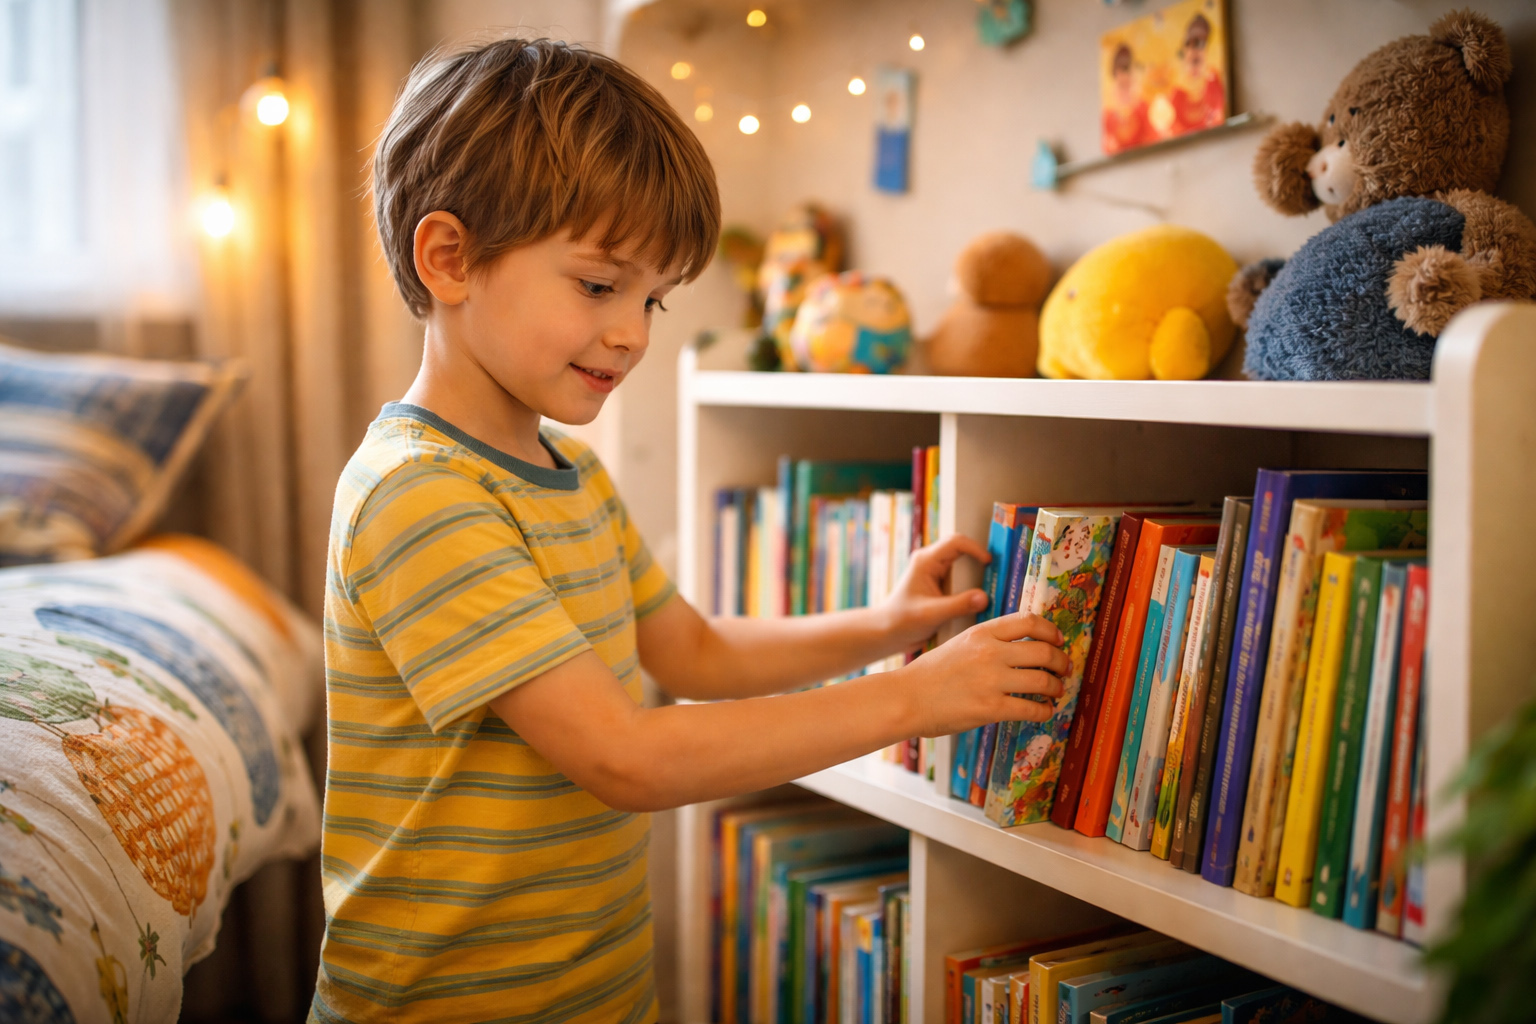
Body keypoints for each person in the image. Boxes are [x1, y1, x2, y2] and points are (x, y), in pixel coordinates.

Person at [311, 37, 1068, 1024]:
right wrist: (911, 698)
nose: (634, 332)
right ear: (449, 258)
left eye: (653, 297)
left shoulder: (567, 472)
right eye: (597, 285)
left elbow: (694, 649)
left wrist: (884, 626)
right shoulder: (417, 494)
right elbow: (626, 755)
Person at [1169, 12, 1226, 134]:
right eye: (1189, 43)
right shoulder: (1175, 94)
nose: (1194, 49)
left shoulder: (1216, 85)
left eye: (1200, 43)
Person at [1102, 43, 1154, 154]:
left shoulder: (1145, 110)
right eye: (1121, 86)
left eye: (1128, 85)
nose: (1125, 93)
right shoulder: (1108, 119)